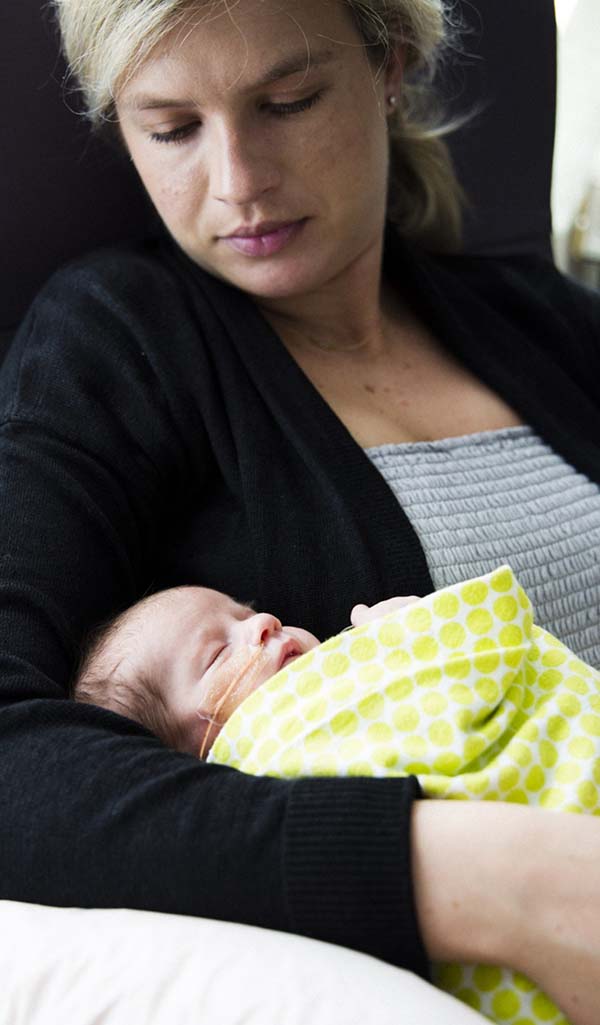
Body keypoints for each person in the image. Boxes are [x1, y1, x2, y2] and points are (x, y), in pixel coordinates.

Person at [1, 0, 600, 1021]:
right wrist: (491, 874)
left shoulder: (542, 318)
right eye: (172, 128)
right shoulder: (120, 342)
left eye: (287, 101)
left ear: (391, 65)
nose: (237, 181)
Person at [71, 566, 600, 1023]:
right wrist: (424, 630)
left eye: (245, 613)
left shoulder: (353, 672)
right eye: (216, 654)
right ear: (193, 756)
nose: (261, 624)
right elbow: (481, 646)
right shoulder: (266, 764)